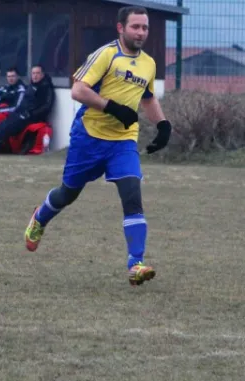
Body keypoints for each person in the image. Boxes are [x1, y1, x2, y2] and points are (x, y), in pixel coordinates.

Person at [23, 6, 172, 286]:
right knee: (68, 193)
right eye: (135, 27)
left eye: (145, 28)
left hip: (122, 141)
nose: (141, 32)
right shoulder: (106, 54)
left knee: (132, 194)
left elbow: (149, 98)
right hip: (88, 138)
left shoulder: (148, 64)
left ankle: (135, 264)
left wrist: (163, 125)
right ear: (121, 28)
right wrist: (111, 107)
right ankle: (40, 218)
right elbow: (78, 90)